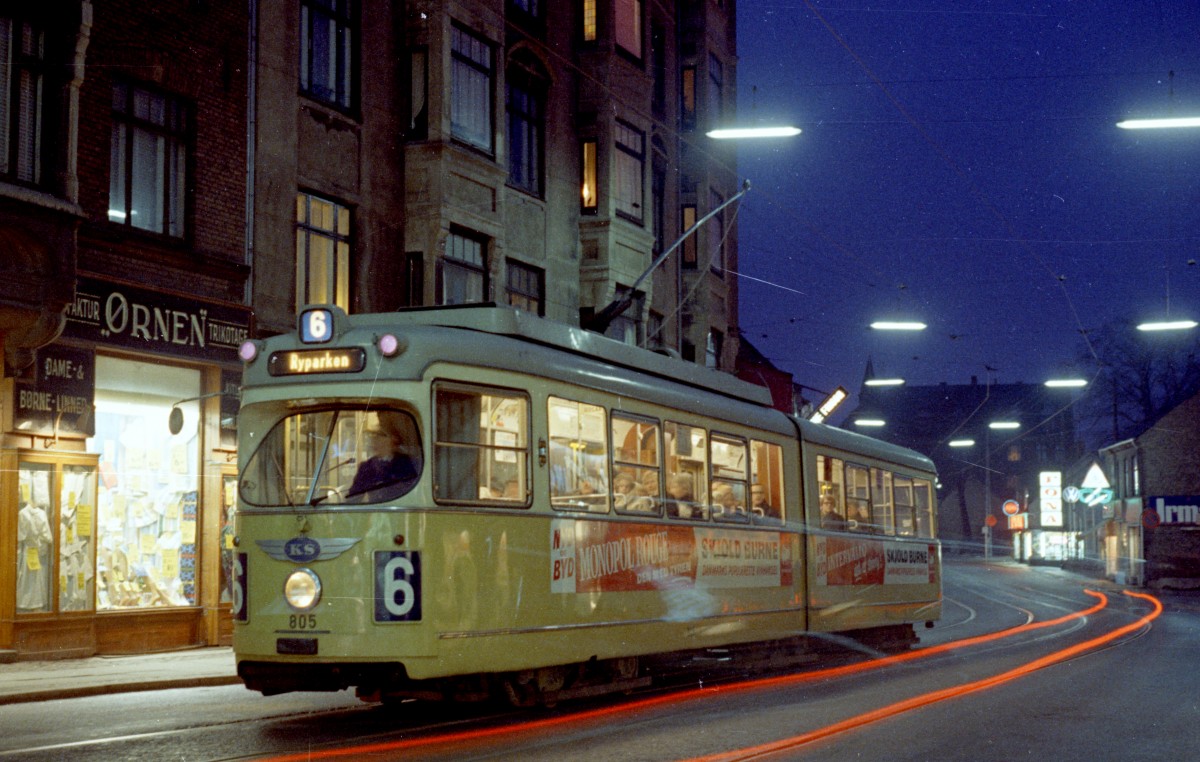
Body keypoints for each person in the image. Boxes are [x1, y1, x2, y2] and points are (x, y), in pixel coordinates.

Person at [348, 413, 419, 499]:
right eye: (374, 436)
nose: (376, 439)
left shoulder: (407, 464)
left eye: (381, 435)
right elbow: (353, 498)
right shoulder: (366, 467)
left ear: (393, 439)